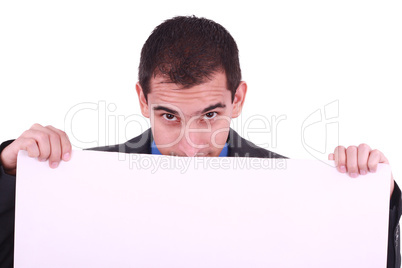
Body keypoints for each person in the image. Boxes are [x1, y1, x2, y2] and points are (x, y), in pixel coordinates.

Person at [0, 15, 400, 267]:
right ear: (143, 100)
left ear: (237, 99)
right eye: (169, 116)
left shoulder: (296, 189)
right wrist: (10, 171)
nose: (190, 147)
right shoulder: (75, 181)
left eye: (210, 115)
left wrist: (371, 200)